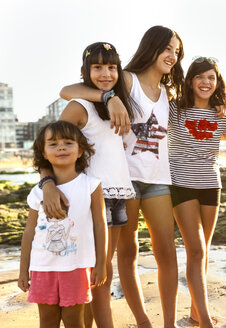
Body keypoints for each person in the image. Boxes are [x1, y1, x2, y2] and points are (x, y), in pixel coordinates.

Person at [59, 26, 185, 328]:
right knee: (122, 254)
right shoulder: (125, 79)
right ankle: (142, 321)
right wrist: (111, 97)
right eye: (167, 48)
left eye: (177, 51)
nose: (172, 55)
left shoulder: (170, 92)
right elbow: (69, 92)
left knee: (166, 249)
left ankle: (168, 324)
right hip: (120, 182)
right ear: (151, 47)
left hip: (156, 179)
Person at [42, 42, 136, 327]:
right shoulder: (79, 105)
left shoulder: (118, 100)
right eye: (97, 67)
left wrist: (112, 97)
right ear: (86, 71)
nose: (105, 73)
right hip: (93, 198)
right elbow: (48, 147)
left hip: (118, 194)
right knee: (98, 273)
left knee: (102, 273)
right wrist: (47, 184)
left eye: (111, 67)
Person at [168, 56, 226, 327]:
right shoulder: (175, 109)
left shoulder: (221, 114)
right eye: (200, 76)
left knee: (204, 251)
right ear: (190, 81)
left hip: (211, 185)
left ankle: (194, 313)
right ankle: (206, 320)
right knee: (196, 250)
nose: (206, 82)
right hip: (181, 184)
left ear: (217, 82)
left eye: (211, 77)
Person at [18, 121, 107, 328]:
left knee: (74, 321)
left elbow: (100, 224)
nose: (61, 147)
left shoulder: (91, 185)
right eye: (53, 144)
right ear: (43, 153)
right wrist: (23, 270)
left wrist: (102, 263)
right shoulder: (37, 192)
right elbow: (29, 232)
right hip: (42, 268)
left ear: (80, 151)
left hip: (76, 267)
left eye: (68, 143)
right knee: (47, 321)